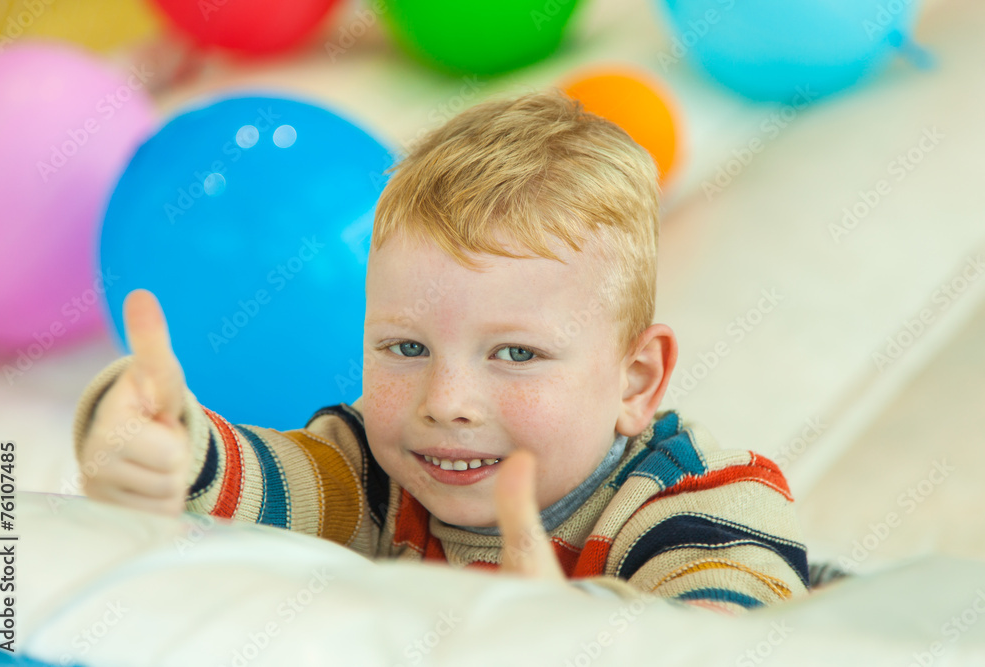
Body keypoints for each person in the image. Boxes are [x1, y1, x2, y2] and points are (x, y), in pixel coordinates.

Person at [72, 88, 809, 610]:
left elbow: (723, 632)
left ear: (636, 379)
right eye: (406, 346)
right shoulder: (375, 473)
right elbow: (257, 476)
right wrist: (156, 436)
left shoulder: (705, 504)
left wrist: (576, 632)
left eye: (516, 354)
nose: (445, 402)